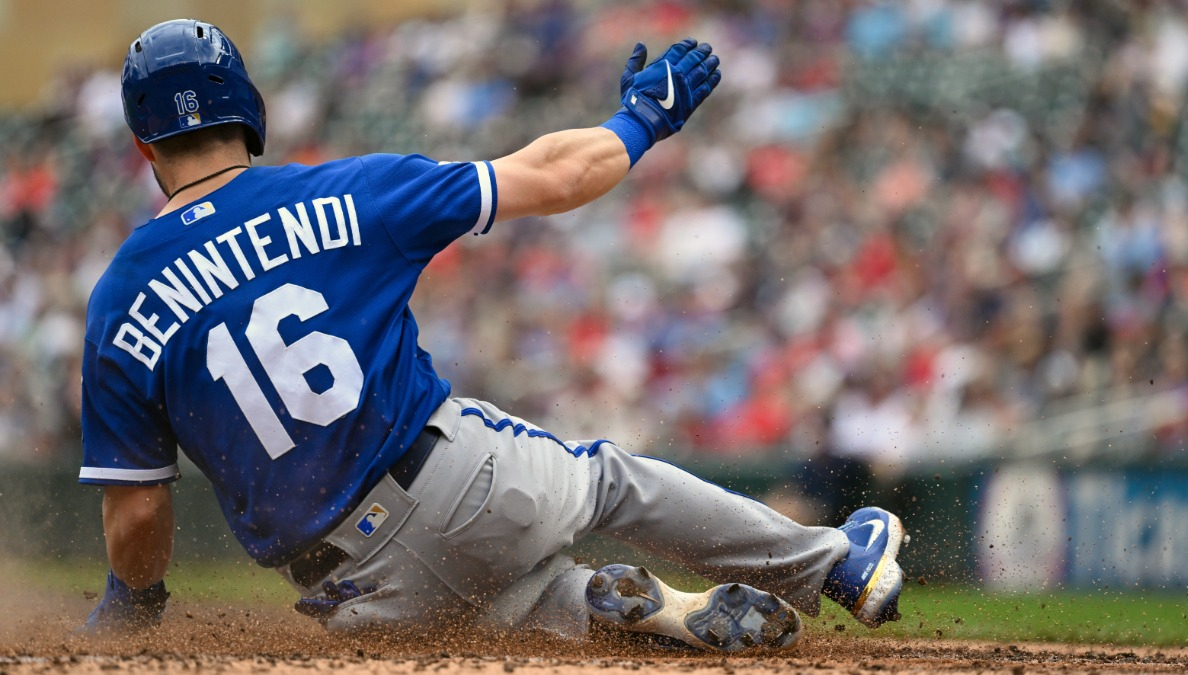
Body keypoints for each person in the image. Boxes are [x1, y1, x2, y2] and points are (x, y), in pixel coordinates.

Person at [79, 19, 907, 652]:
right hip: (459, 487)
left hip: (355, 595)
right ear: (248, 113)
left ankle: (610, 604)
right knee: (608, 481)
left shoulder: (121, 296)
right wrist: (638, 122)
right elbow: (552, 176)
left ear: (143, 142)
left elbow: (139, 508)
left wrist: (134, 601)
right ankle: (834, 563)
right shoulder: (348, 193)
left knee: (495, 618)